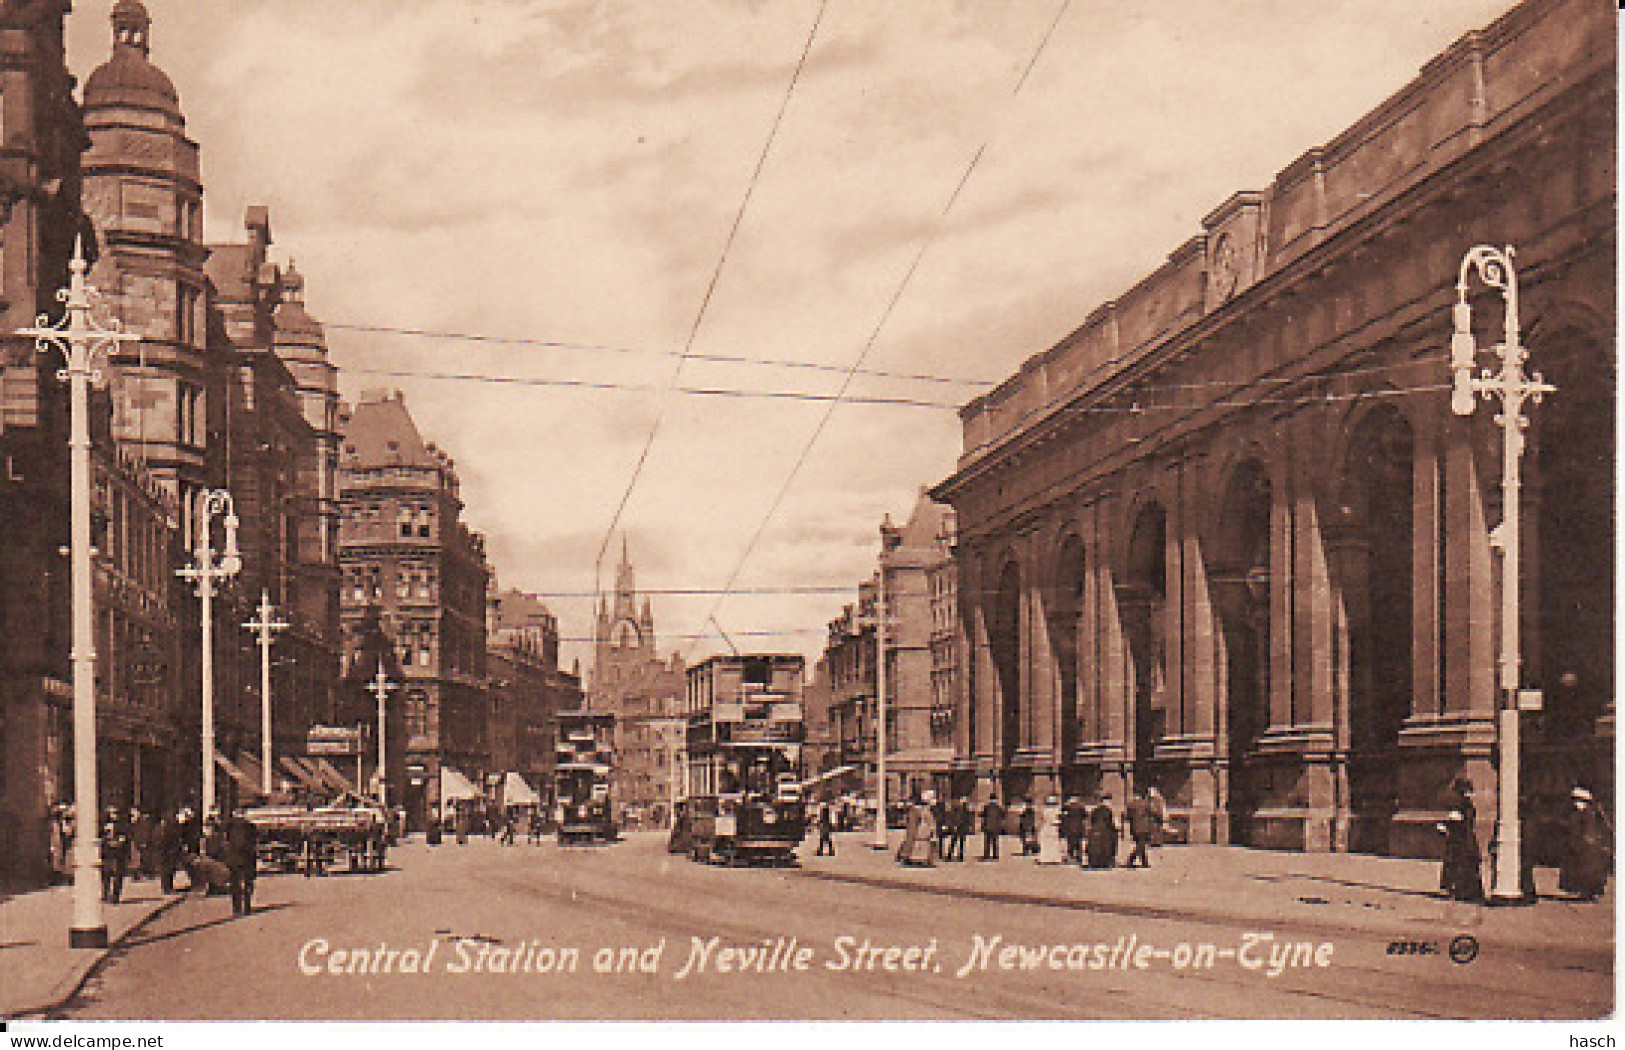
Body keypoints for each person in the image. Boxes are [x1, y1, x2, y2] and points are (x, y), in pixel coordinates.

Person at [1559, 787, 1612, 901]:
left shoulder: (1586, 813)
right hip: (1587, 845)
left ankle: (1588, 892)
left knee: (1587, 870)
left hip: (1587, 846)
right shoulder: (1586, 813)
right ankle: (1587, 892)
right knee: (1585, 870)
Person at [1438, 778, 1482, 902]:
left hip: (1459, 839)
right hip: (1465, 837)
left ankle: (1460, 889)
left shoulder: (1460, 805)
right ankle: (1467, 890)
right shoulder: (1467, 805)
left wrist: (1447, 826)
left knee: (1458, 862)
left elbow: (1459, 822)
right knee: (1466, 863)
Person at [223, 808, 260, 916]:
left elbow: (226, 842)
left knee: (235, 883)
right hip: (247, 857)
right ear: (244, 815)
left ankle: (236, 908)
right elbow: (255, 842)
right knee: (248, 882)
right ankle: (247, 906)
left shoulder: (229, 826)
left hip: (234, 858)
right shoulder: (251, 826)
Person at [897, 792, 938, 867]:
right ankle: (912, 859)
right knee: (917, 844)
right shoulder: (917, 811)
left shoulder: (922, 810)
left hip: (923, 833)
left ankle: (919, 859)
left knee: (923, 845)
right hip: (919, 833)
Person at [99, 808, 130, 903]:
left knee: (118, 874)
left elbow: (126, 838)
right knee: (106, 874)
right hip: (108, 852)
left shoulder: (123, 826)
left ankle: (115, 896)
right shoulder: (103, 825)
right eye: (111, 813)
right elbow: (100, 837)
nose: (113, 815)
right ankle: (105, 894)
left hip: (119, 853)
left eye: (115, 813)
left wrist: (121, 842)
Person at [1124, 788, 1158, 868]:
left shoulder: (1131, 805)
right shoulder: (1146, 804)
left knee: (1140, 844)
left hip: (1134, 827)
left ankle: (1144, 862)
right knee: (1141, 844)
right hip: (1144, 827)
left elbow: (1127, 816)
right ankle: (1131, 859)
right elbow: (1153, 812)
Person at [1086, 794, 1118, 869]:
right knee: (1106, 847)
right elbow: (1110, 822)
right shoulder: (1108, 811)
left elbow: (1091, 821)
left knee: (1096, 847)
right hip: (1105, 830)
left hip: (1095, 830)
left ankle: (1095, 862)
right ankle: (1105, 862)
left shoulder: (1095, 810)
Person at [155, 810, 183, 894]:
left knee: (168, 869)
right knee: (167, 870)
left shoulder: (161, 828)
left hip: (167, 851)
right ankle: (167, 888)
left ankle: (167, 887)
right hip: (166, 852)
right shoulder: (167, 829)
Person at [1037, 795, 1065, 864]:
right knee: (1053, 843)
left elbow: (1042, 818)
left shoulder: (1044, 810)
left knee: (1046, 843)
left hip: (1046, 827)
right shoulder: (1056, 810)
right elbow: (1056, 819)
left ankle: (1045, 858)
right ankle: (1054, 859)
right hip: (1053, 827)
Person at [1060, 796, 1087, 864]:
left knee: (1070, 843)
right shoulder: (1081, 807)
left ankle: (1071, 857)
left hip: (1069, 827)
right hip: (1079, 827)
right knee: (1078, 843)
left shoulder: (1066, 807)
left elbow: (1062, 816)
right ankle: (1079, 857)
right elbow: (1085, 816)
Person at [979, 794, 1004, 861]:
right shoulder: (998, 808)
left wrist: (982, 825)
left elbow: (982, 816)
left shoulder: (987, 807)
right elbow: (1002, 817)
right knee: (995, 841)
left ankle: (986, 855)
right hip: (996, 827)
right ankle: (995, 855)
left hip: (988, 826)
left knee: (987, 841)